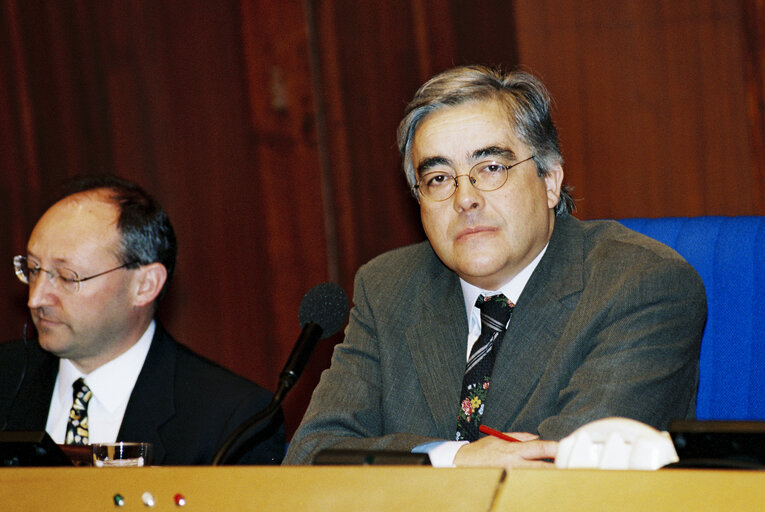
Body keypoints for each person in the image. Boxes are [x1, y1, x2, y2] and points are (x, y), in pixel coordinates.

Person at [283, 65, 706, 469]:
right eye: (439, 179)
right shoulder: (388, 288)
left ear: (549, 181)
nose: (464, 198)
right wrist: (454, 459)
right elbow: (310, 457)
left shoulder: (638, 285)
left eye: (491, 167)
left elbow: (566, 473)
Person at [0, 175, 284, 465]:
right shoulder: (6, 377)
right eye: (33, 269)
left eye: (67, 277)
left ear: (145, 285)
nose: (36, 299)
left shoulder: (230, 418)